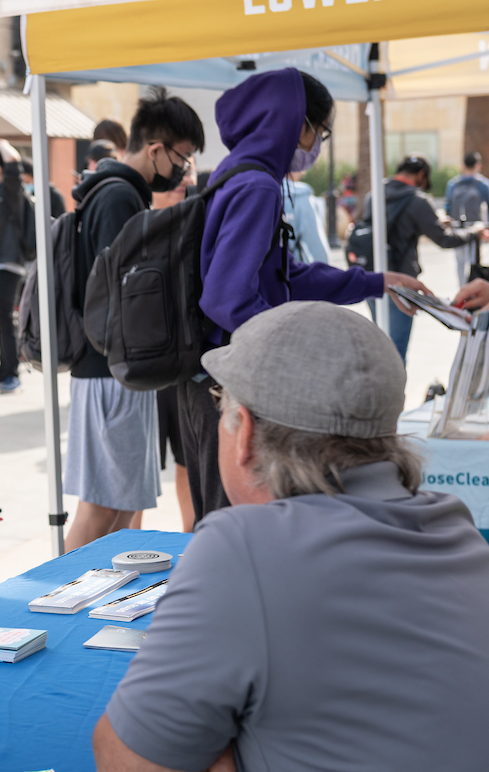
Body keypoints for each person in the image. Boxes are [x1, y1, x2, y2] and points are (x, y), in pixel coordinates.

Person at [94, 301, 489, 772]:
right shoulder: (454, 526)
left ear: (245, 434)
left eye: (221, 402)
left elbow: (126, 760)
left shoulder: (241, 548)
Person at [181, 68, 430, 524]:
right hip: (230, 382)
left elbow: (285, 276)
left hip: (216, 375)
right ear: (298, 123)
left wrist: (377, 282)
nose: (318, 144)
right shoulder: (258, 186)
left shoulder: (238, 172)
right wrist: (288, 354)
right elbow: (227, 299)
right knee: (237, 526)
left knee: (229, 522)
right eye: (321, 132)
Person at [64, 88, 205, 549]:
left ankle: (96, 588)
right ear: (156, 149)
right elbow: (123, 295)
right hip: (110, 372)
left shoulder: (114, 191)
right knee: (102, 508)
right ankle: (64, 586)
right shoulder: (119, 198)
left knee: (121, 507)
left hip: (112, 372)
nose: (183, 169)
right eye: (182, 157)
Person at [360, 154, 485, 362]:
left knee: (381, 345)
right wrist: (475, 232)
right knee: (396, 351)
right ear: (421, 174)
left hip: (372, 276)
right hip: (401, 282)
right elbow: (445, 240)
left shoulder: (375, 194)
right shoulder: (418, 200)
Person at [151, 159, 197, 532]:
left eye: (190, 168)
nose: (185, 178)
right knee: (138, 476)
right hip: (146, 370)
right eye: (177, 169)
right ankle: (126, 546)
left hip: (188, 366)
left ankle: (191, 541)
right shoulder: (138, 228)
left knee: (189, 461)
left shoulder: (199, 224)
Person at [0, 140, 35, 394]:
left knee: (5, 319)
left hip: (6, 264)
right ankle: (3, 370)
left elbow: (14, 164)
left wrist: (2, 146)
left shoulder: (10, 191)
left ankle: (12, 372)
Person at [445, 150, 489, 283]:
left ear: (463, 165)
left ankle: (462, 288)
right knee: (473, 261)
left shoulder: (453, 184)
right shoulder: (483, 184)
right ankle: (473, 286)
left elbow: (448, 206)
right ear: (478, 165)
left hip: (457, 228)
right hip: (476, 228)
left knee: (460, 262)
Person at [282, 171, 330, 265]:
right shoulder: (301, 196)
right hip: (289, 268)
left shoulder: (256, 189)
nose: (302, 173)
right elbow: (316, 247)